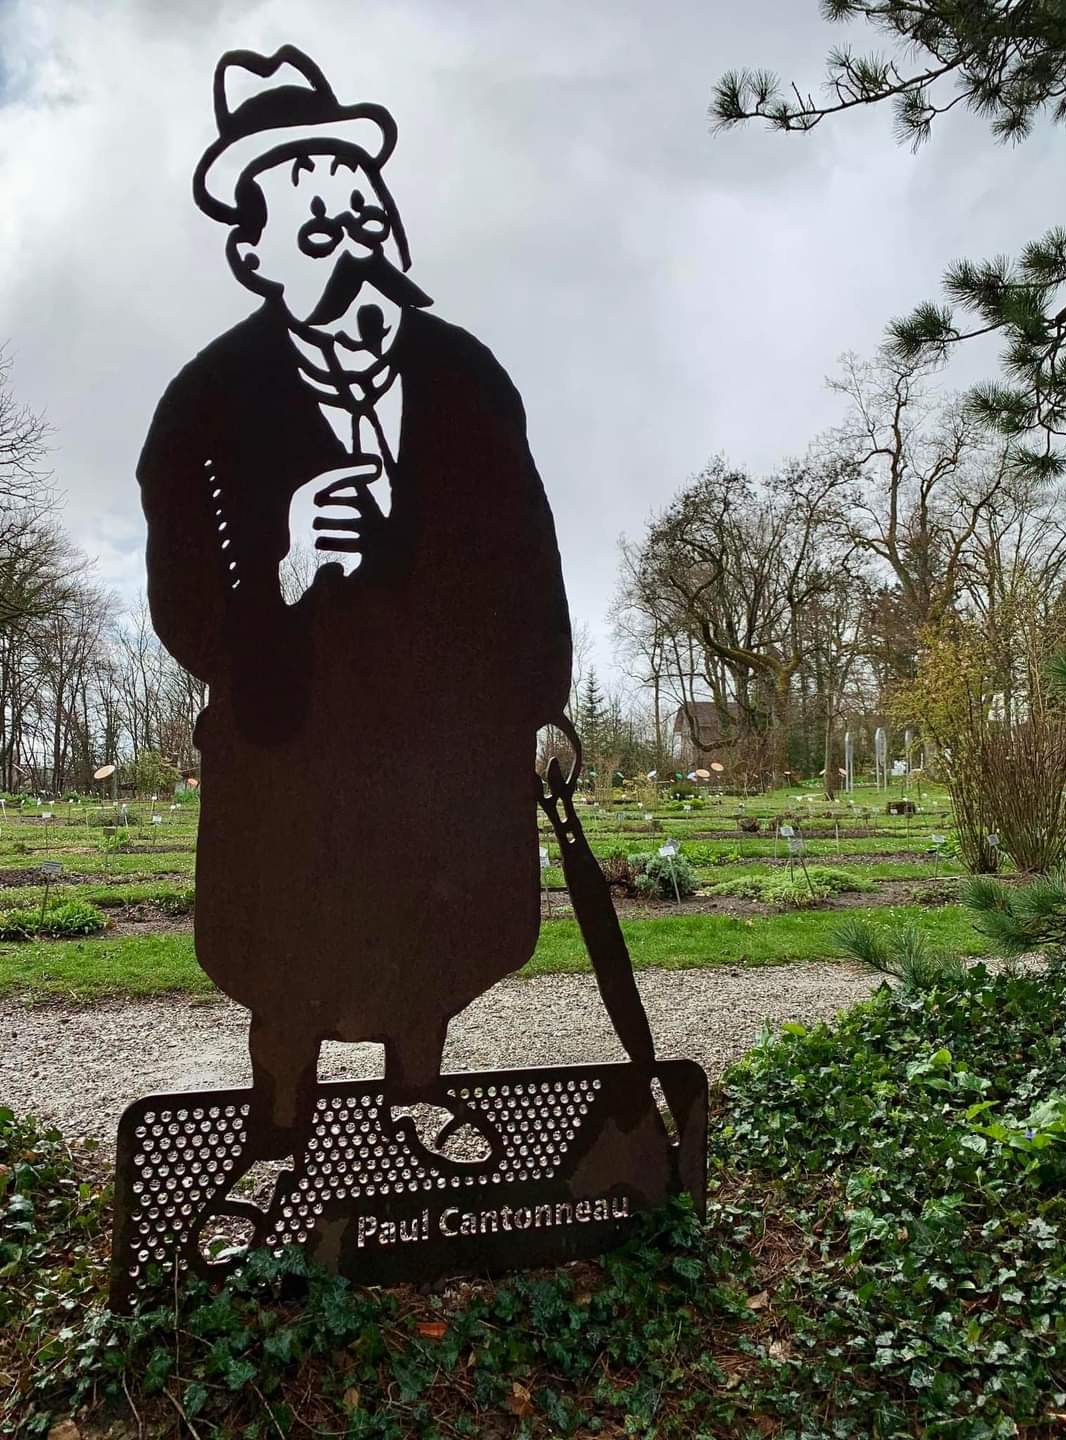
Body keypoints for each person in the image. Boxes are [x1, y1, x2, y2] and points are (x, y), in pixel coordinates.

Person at [138, 46, 573, 1229]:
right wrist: (279, 568)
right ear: (255, 255)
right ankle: (276, 1137)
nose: (356, 253)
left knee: (431, 924)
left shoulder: (466, 377)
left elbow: (528, 555)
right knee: (289, 947)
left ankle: (416, 1095)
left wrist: (543, 702)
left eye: (366, 224)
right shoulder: (204, 406)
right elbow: (183, 602)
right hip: (294, 748)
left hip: (441, 743)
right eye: (319, 234)